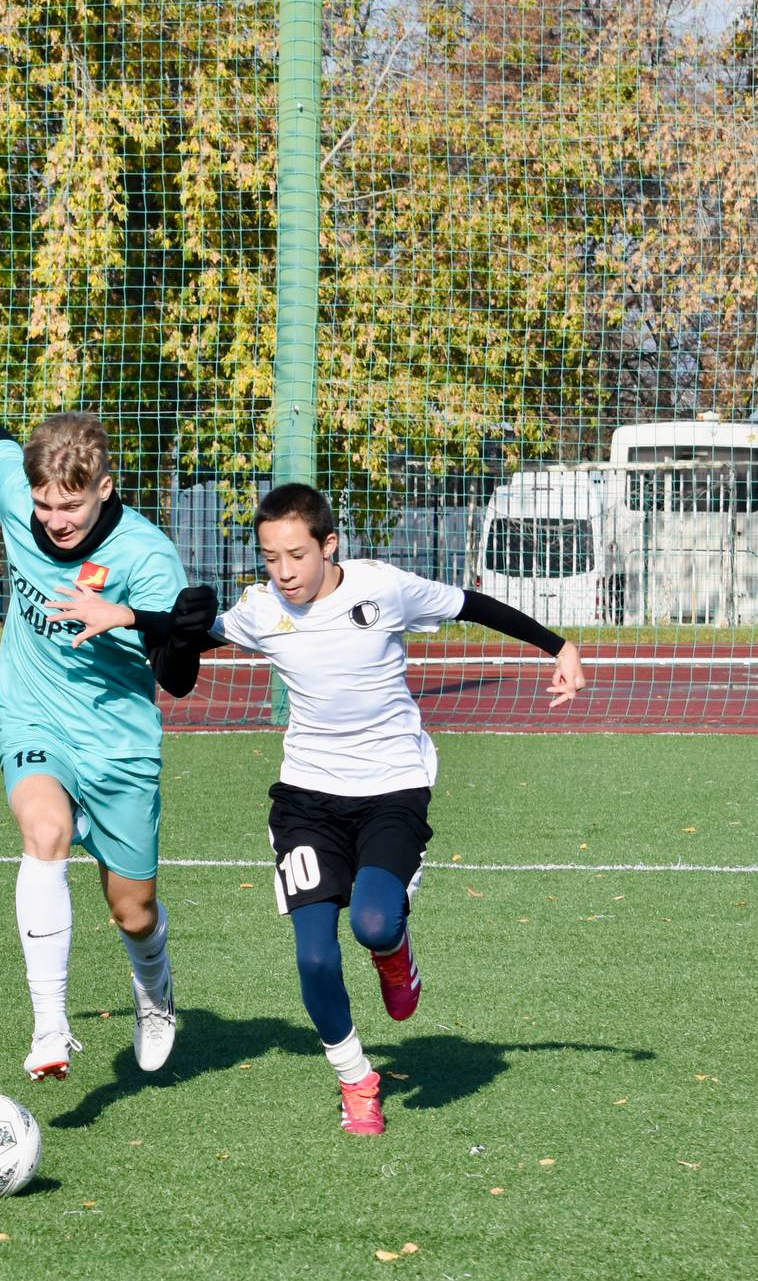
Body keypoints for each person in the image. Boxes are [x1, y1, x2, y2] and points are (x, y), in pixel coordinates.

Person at [209, 481, 584, 1136]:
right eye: (271, 558)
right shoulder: (258, 609)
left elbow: (471, 604)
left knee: (376, 922)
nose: (285, 571)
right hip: (305, 801)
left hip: (392, 788)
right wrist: (150, 626)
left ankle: (395, 952)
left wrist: (560, 648)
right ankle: (357, 1081)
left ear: (330, 546)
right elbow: (189, 638)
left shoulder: (383, 587)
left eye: (297, 554)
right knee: (316, 959)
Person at [0, 413, 218, 1082]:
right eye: (45, 504)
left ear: (105, 489)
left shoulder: (145, 557)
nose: (55, 520)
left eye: (72, 506)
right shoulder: (16, 489)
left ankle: (154, 988)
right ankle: (50, 1027)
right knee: (44, 829)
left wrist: (177, 631)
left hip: (118, 741)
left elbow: (178, 681)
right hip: (32, 714)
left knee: (133, 911)